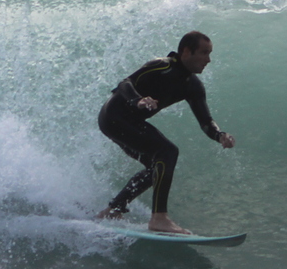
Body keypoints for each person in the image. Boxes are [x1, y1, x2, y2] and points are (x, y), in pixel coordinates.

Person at [95, 30, 235, 234]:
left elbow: (205, 121)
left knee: (157, 168)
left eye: (210, 53)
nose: (208, 60)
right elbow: (124, 84)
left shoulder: (192, 86)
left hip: (128, 122)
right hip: (114, 116)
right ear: (186, 52)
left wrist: (219, 135)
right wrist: (138, 100)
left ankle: (113, 210)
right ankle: (159, 218)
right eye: (204, 53)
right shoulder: (162, 65)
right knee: (167, 152)